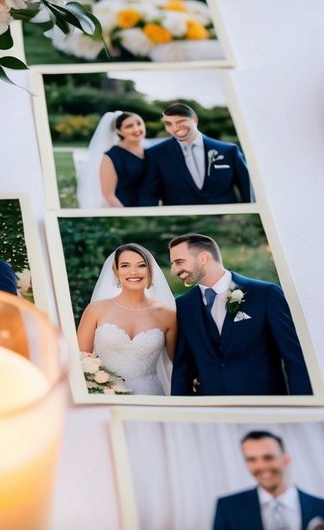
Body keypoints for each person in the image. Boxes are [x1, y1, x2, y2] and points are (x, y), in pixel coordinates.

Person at [168, 233, 312, 396]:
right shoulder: (183, 305)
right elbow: (183, 367)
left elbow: (295, 358)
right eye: (172, 264)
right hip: (210, 408)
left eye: (179, 262)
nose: (174, 271)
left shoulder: (265, 294)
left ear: (203, 258)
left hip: (263, 404)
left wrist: (302, 406)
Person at [77, 243, 177, 395]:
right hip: (106, 398)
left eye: (141, 265)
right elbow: (80, 361)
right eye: (125, 265)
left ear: (150, 270)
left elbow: (179, 364)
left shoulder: (167, 314)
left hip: (151, 397)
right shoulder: (95, 310)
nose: (134, 272)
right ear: (116, 271)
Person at [139, 103, 251, 206]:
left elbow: (248, 189)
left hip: (229, 222)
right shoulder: (155, 154)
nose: (175, 128)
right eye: (168, 124)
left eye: (180, 122)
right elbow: (148, 195)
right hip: (181, 223)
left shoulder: (229, 151)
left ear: (195, 120)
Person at [213, 430, 324, 530]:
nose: (261, 466)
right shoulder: (228, 507)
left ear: (286, 459)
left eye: (268, 457)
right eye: (252, 459)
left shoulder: (321, 506)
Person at [77, 110, 148, 208]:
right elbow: (108, 195)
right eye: (129, 126)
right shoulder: (111, 156)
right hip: (126, 208)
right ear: (119, 131)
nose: (136, 129)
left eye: (139, 123)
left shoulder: (150, 152)